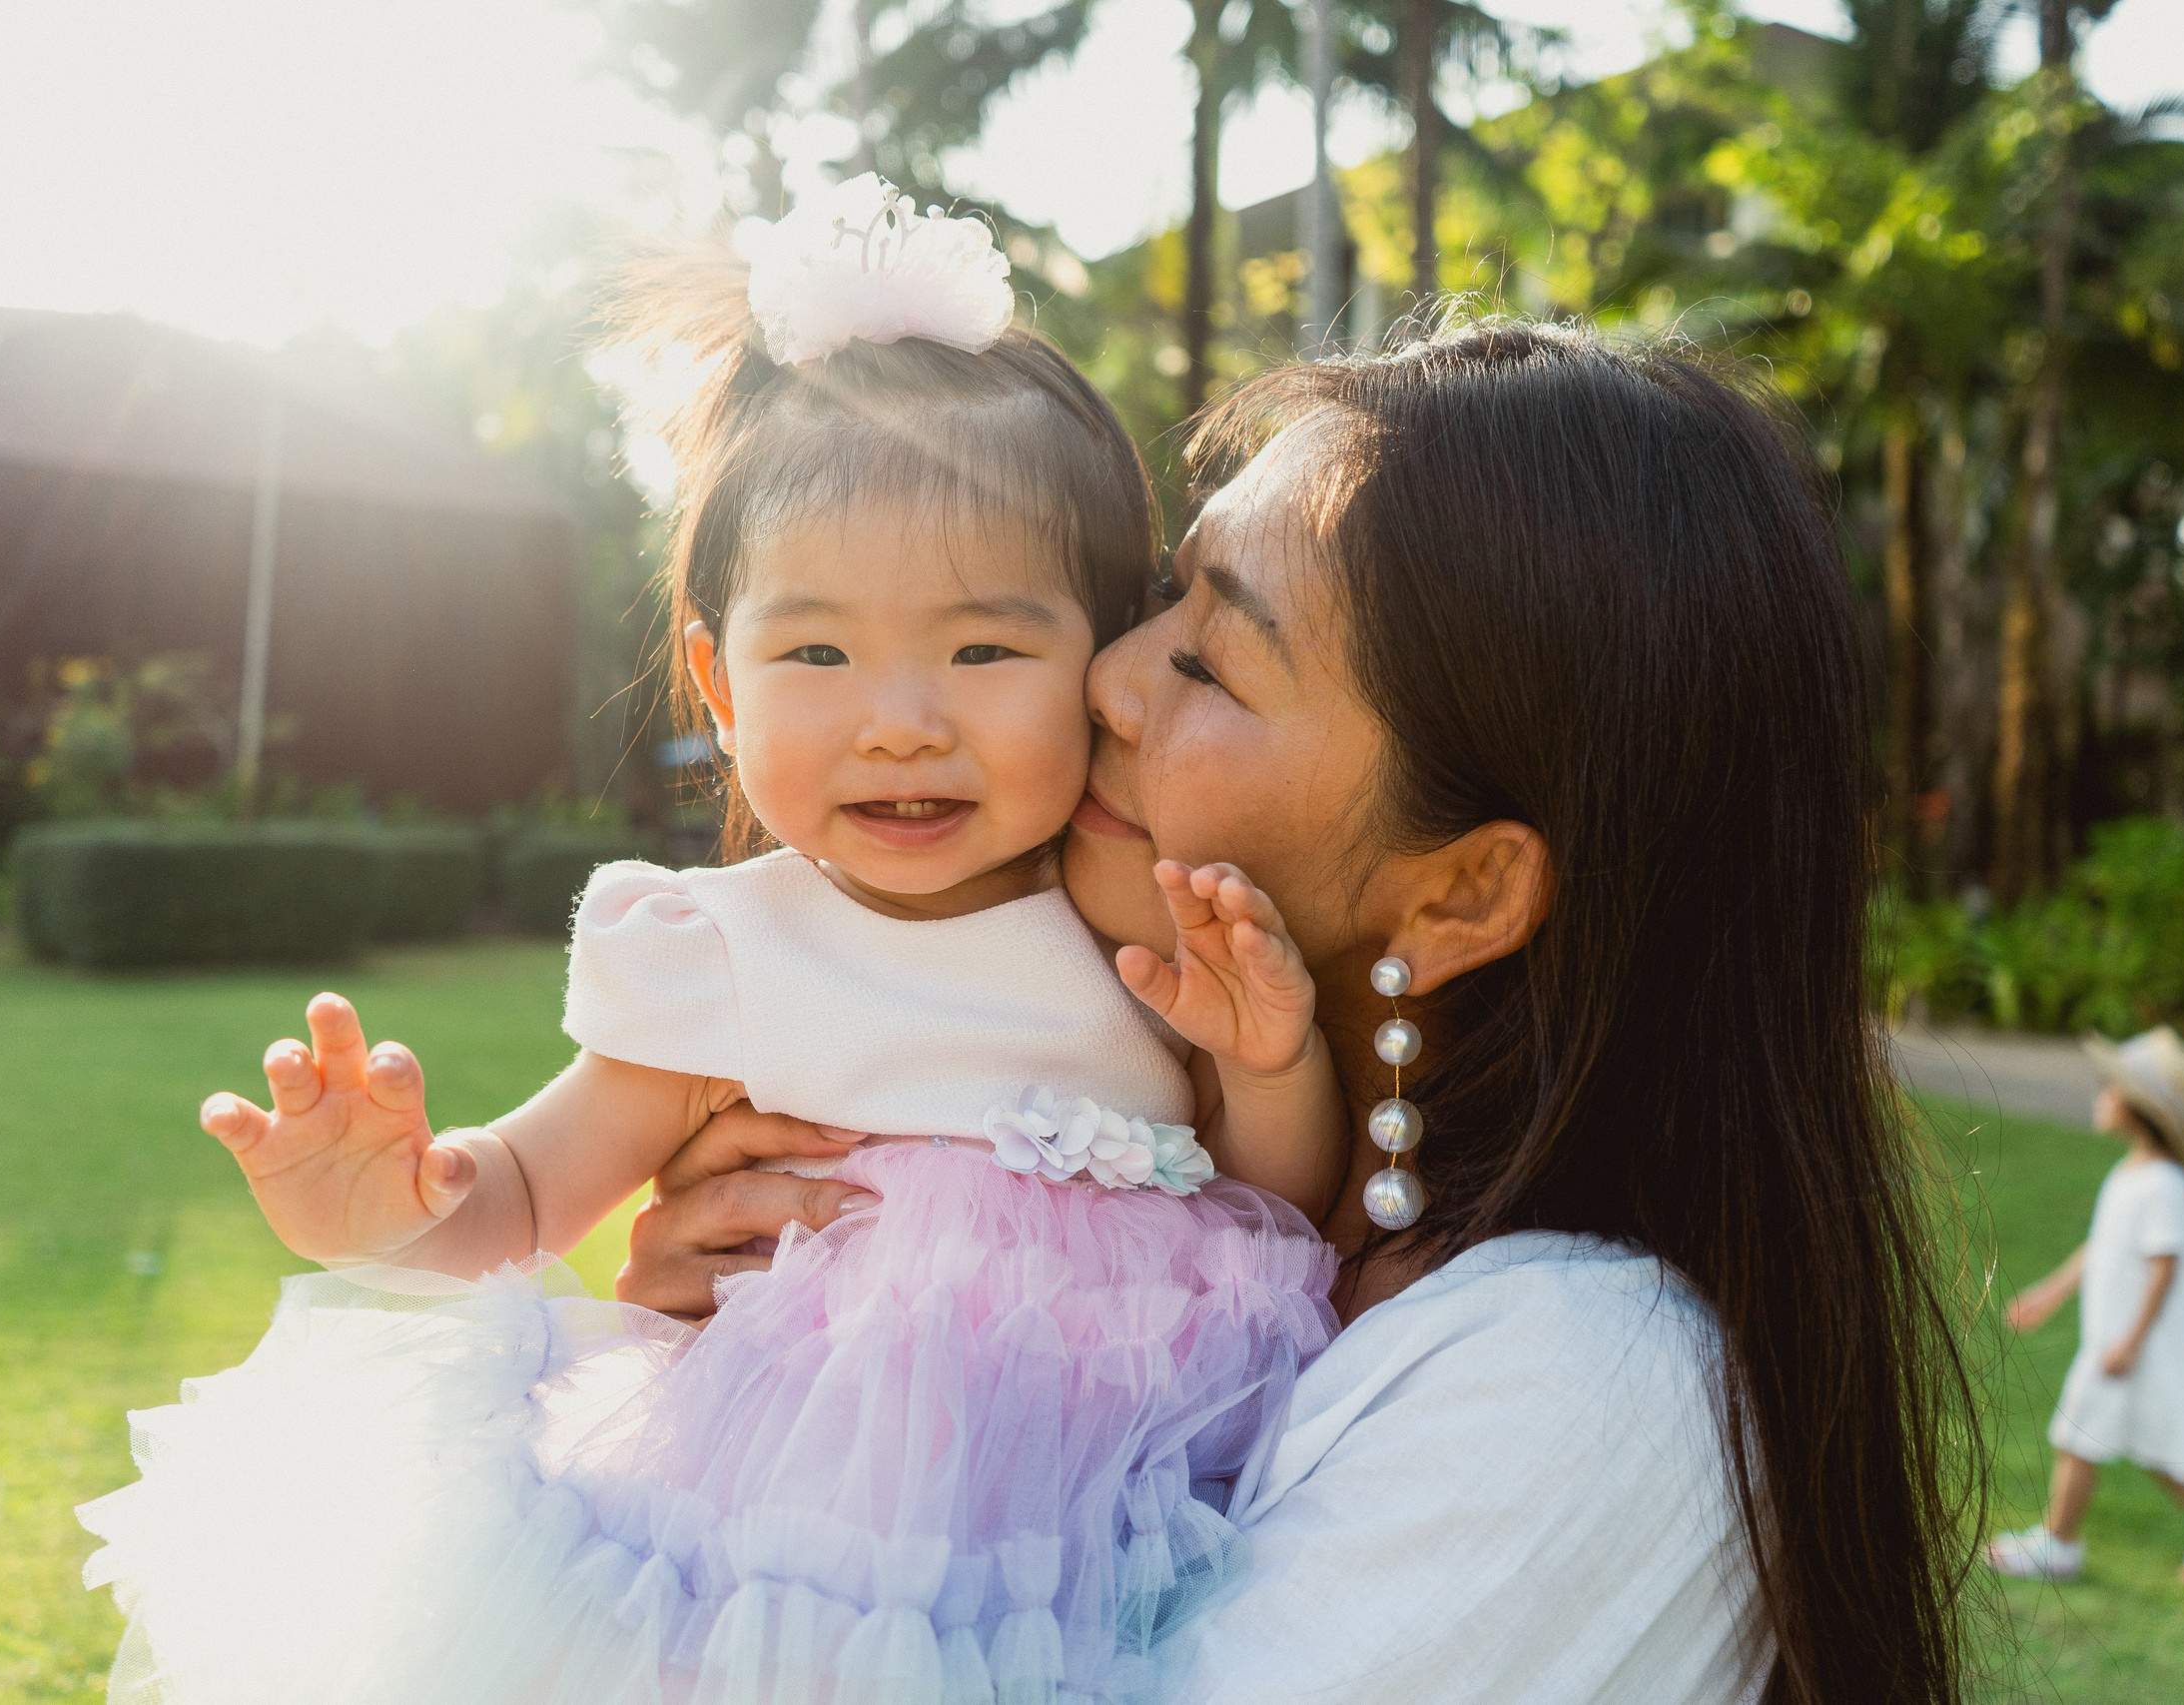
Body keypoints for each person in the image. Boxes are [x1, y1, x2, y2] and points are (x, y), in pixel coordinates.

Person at [77, 176, 1345, 1705]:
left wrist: (1272, 1060)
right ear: (720, 684)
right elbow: (543, 1180)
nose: (900, 718)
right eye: (815, 649)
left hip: (1085, 1550)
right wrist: (397, 1201)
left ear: (1104, 653)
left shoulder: (1134, 926)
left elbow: (1268, 1210)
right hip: (765, 1547)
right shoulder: (723, 951)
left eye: (987, 646)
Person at [619, 321, 1984, 1701]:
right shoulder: (1118, 1200)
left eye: (1211, 663)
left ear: (1459, 893)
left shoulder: (1585, 1384)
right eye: (1163, 593)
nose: (1105, 672)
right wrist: (754, 1376)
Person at [1989, 1026, 2184, 1589]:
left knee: (2077, 1437)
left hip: (2127, 1347)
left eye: (2108, 1088)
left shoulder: (2163, 1183)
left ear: (2139, 1109)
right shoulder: (2133, 1173)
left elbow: (2165, 1269)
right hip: (2117, 1343)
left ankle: (2058, 1546)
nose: (2100, 1097)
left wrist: (2130, 1343)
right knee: (2151, 1448)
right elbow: (2104, 1248)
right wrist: (2050, 1293)